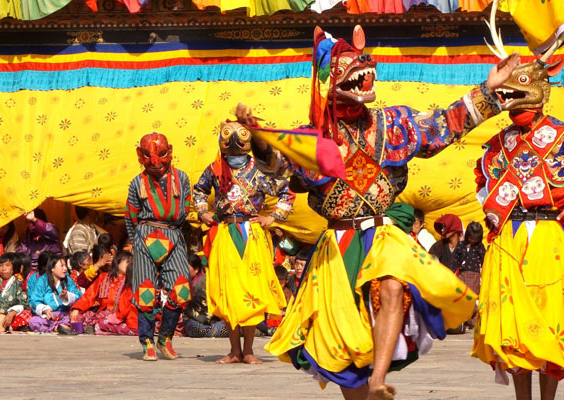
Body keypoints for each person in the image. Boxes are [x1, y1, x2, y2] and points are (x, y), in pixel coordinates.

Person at [237, 24, 517, 399]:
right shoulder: (313, 139)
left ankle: (379, 379)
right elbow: (276, 163)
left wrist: (491, 90)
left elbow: (444, 123)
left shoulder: (392, 124)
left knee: (391, 287)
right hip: (336, 246)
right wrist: (257, 135)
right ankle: (365, 387)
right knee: (345, 341)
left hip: (382, 234)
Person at [472, 18, 564, 399]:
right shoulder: (498, 141)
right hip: (509, 241)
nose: (507, 98)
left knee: (551, 326)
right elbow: (481, 180)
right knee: (517, 333)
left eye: (515, 89)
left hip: (549, 239)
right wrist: (491, 212)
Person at [194, 120, 293, 365]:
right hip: (226, 231)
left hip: (252, 232)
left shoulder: (259, 169)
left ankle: (248, 350)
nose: (234, 142)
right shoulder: (215, 169)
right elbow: (199, 191)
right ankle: (234, 350)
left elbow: (286, 190)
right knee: (230, 292)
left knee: (252, 291)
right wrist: (202, 212)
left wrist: (274, 217)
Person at [124, 132, 193, 361]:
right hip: (145, 236)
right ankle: (147, 342)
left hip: (173, 235)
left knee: (182, 288)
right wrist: (136, 242)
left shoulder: (182, 179)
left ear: (170, 151)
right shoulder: (137, 183)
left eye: (161, 155)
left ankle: (165, 337)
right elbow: (131, 216)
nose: (155, 162)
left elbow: (185, 209)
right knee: (145, 291)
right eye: (148, 156)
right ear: (139, 155)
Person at [70, 251, 138, 335]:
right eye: (127, 262)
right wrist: (77, 308)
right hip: (102, 311)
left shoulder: (130, 280)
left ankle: (96, 326)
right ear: (117, 262)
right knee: (78, 316)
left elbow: (126, 304)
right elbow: (89, 295)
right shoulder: (104, 277)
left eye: (131, 263)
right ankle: (93, 326)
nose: (130, 265)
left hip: (120, 314)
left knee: (102, 320)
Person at [29, 252, 83, 334]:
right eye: (62, 266)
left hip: (65, 315)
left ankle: (61, 326)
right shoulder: (41, 281)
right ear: (52, 268)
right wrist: (45, 309)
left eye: (65, 266)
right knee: (34, 321)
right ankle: (57, 327)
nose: (65, 269)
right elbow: (34, 300)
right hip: (49, 317)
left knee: (79, 317)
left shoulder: (68, 281)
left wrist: (67, 296)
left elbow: (79, 296)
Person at [183, 254, 228, 338]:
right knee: (233, 327)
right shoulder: (204, 282)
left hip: (194, 324)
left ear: (196, 269)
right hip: (198, 324)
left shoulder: (207, 280)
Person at [450, 221, 485, 330]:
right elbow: (455, 259)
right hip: (462, 274)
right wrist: (451, 271)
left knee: (471, 297)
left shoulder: (480, 247)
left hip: (474, 275)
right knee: (461, 297)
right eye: (470, 238)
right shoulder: (461, 245)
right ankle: (461, 321)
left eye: (475, 238)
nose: (472, 240)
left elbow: (484, 260)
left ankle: (472, 320)